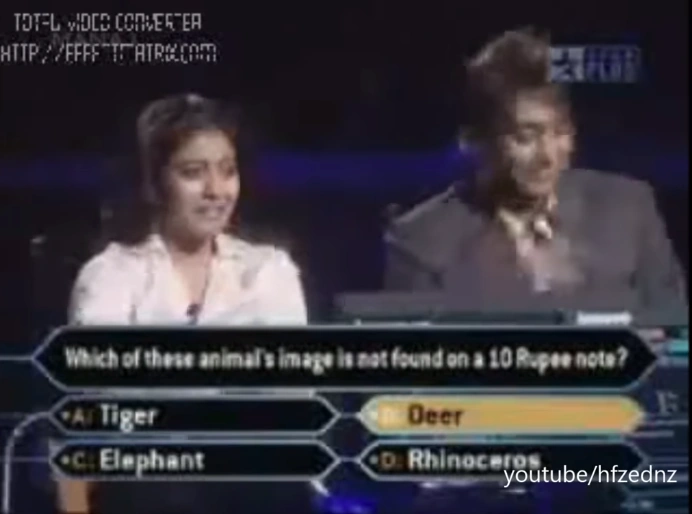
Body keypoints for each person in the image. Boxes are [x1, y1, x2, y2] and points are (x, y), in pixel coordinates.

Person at [59, 93, 312, 514]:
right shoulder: (112, 276)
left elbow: (290, 403)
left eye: (228, 171)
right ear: (154, 183)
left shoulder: (267, 271)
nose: (216, 191)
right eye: (193, 173)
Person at [383, 28, 687, 312]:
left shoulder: (630, 210)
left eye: (561, 132)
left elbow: (676, 335)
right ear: (476, 140)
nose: (548, 155)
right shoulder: (420, 243)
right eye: (526, 137)